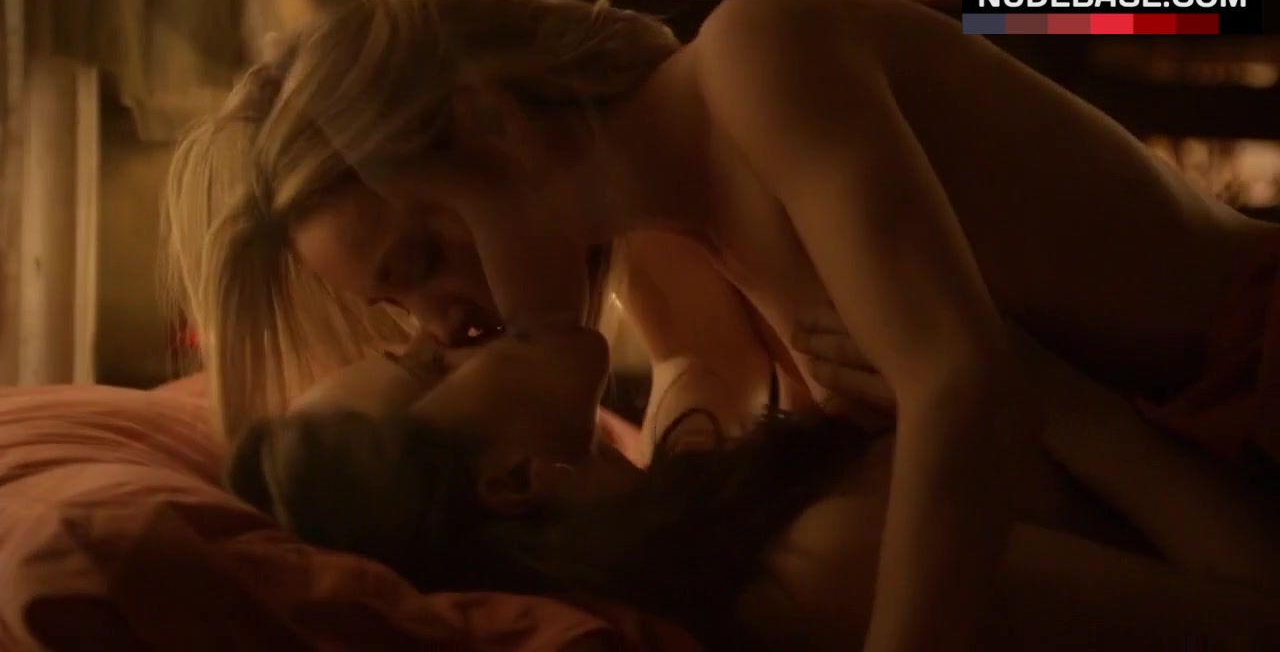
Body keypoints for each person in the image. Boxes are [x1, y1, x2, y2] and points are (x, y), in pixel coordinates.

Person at [163, 0, 1280, 648]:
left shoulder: (753, 59)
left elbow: (962, 385)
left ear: (489, 124)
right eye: (399, 309)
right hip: (1199, 470)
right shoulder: (656, 231)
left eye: (425, 260)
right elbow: (701, 379)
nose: (444, 322)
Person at [225, 323, 1280, 651]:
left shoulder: (698, 491)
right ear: (511, 479)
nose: (450, 328)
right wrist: (1041, 394)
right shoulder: (812, 568)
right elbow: (1251, 621)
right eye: (431, 368)